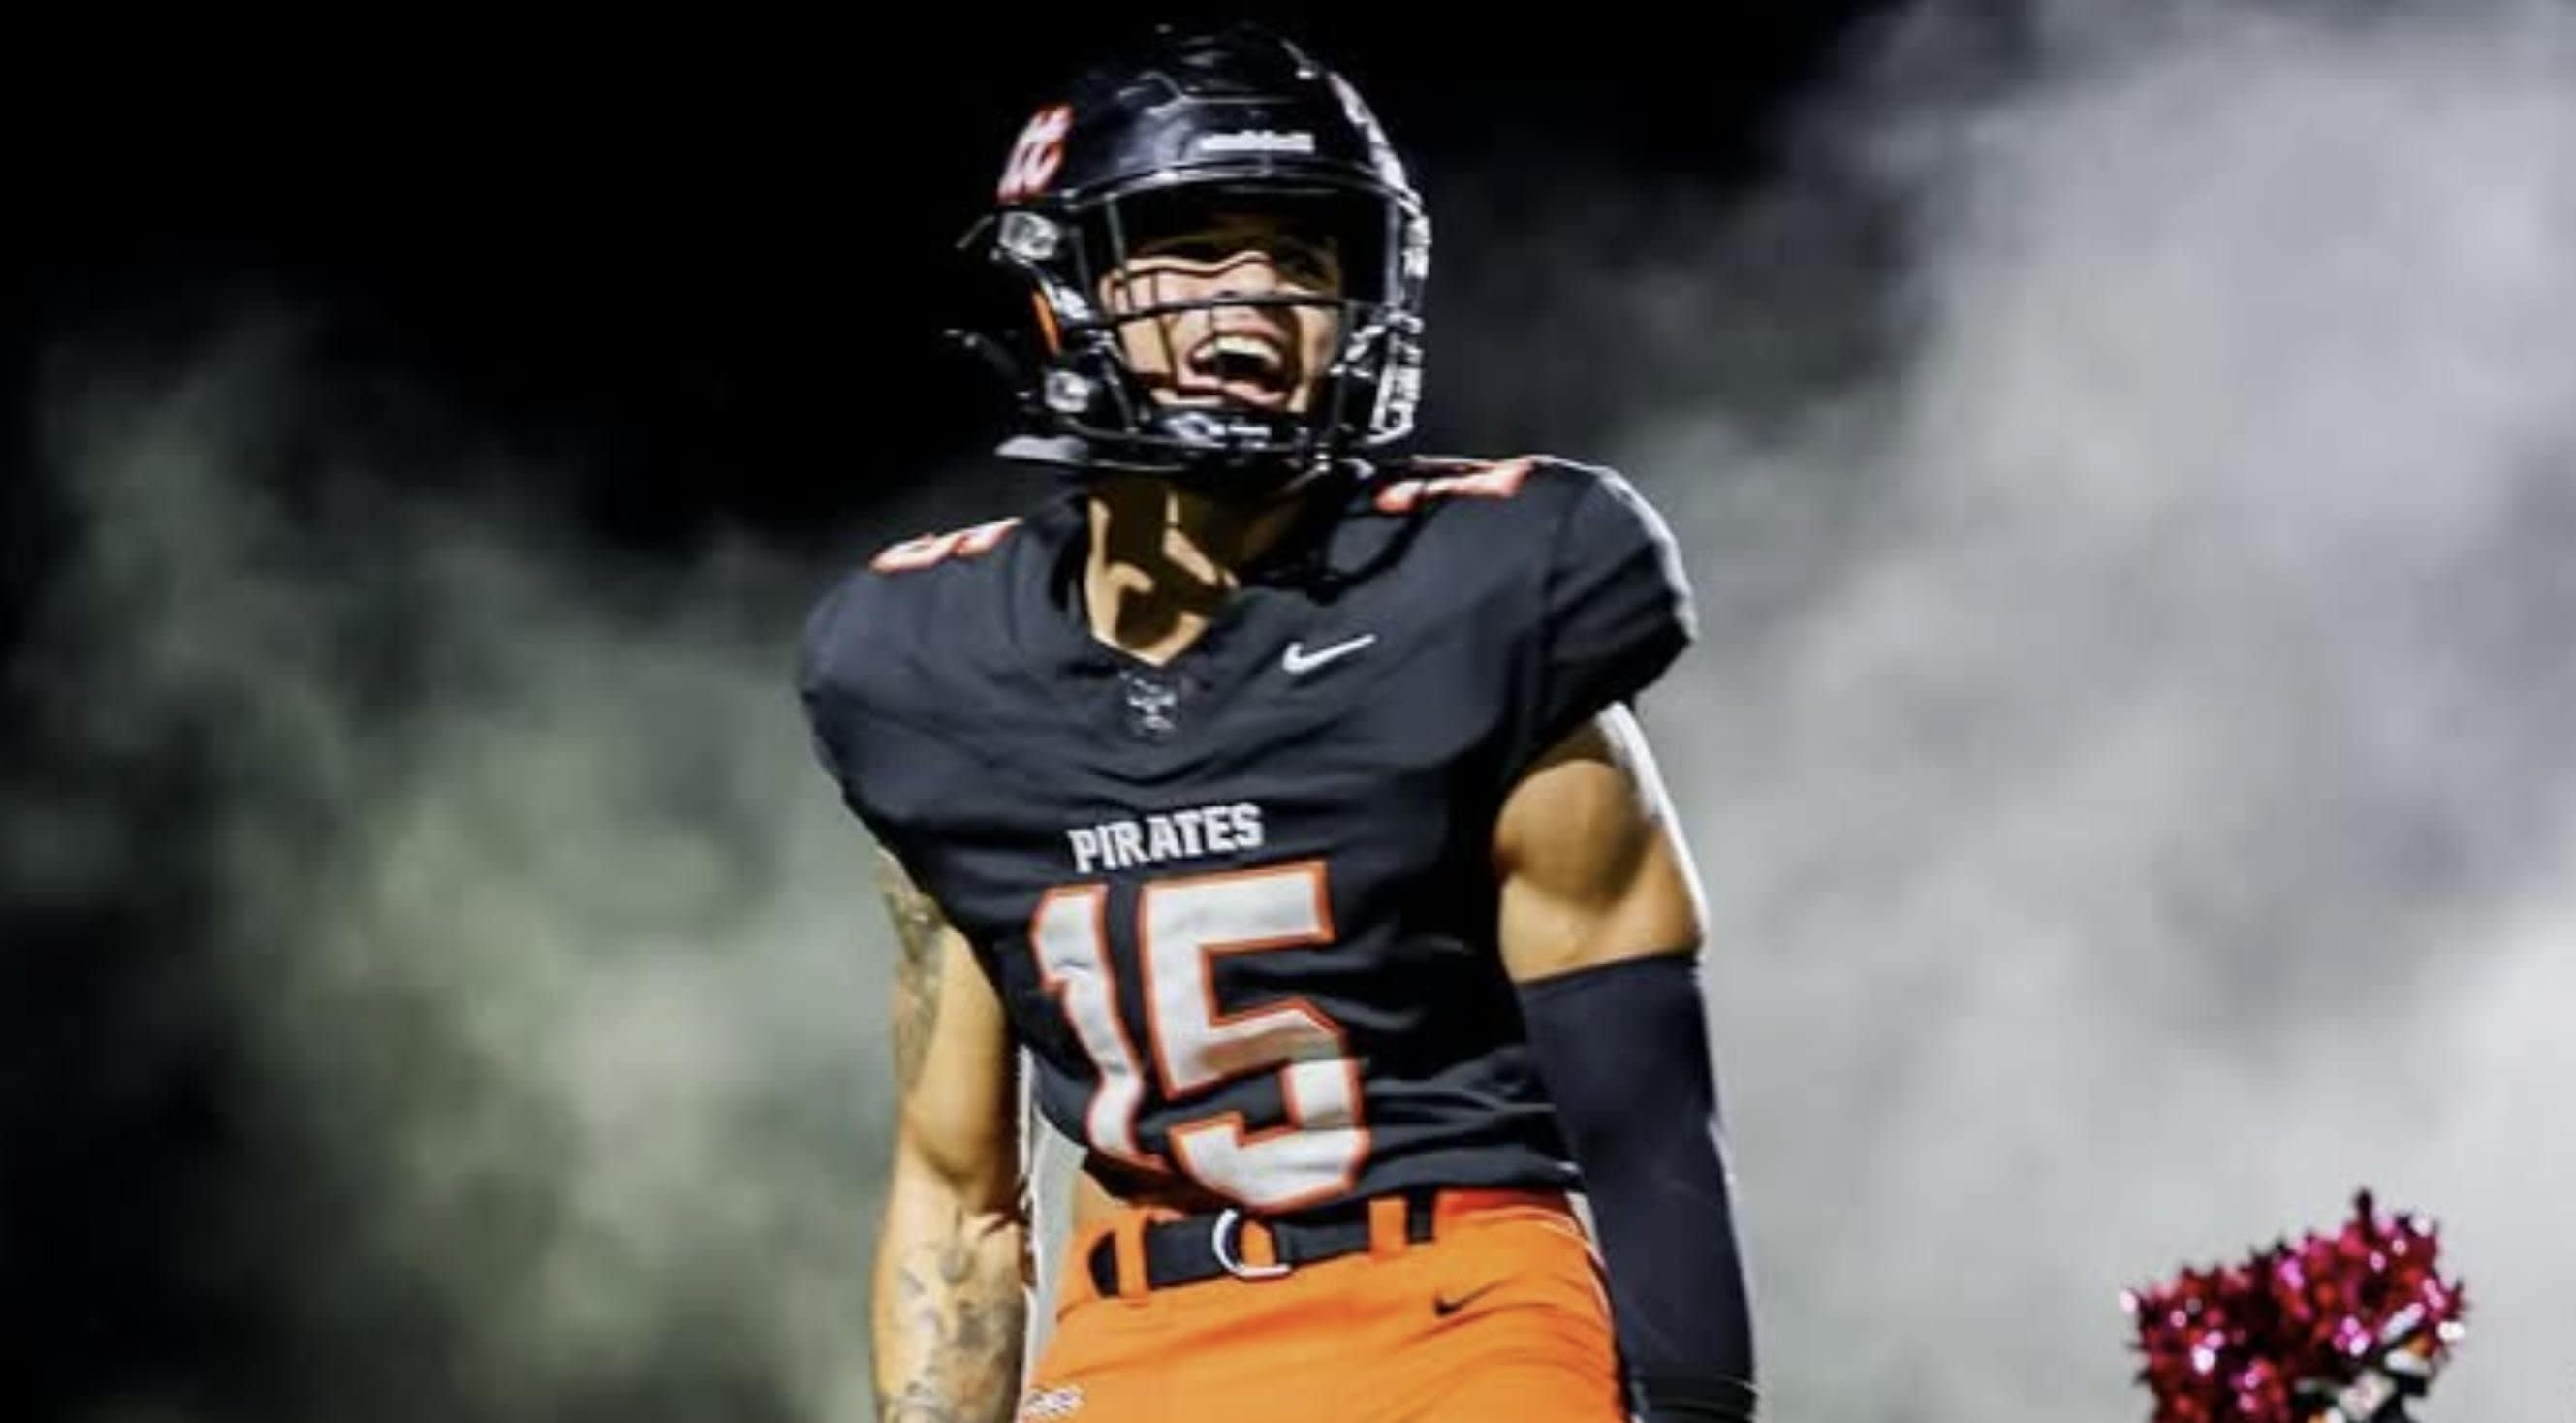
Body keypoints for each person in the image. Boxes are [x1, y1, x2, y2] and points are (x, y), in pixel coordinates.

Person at [799, 21, 1758, 1423]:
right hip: (1136, 1331)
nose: (1251, 304)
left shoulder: (1487, 592)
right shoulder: (924, 669)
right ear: (1064, 290)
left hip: (1456, 1310)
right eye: (1192, 253)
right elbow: (959, 1198)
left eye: (1302, 263)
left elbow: (1646, 1124)